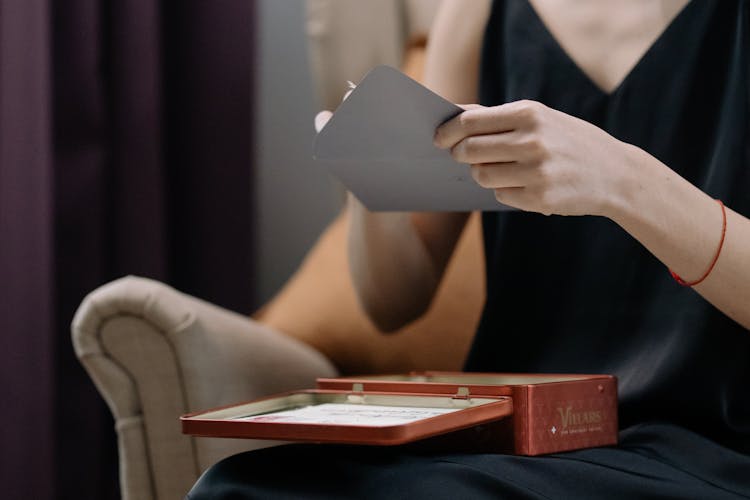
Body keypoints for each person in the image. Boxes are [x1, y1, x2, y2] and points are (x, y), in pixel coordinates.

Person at [189, 0, 750, 497]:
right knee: (236, 487)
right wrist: (370, 178)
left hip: (714, 440)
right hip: (518, 435)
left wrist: (620, 179)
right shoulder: (479, 10)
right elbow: (394, 305)